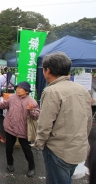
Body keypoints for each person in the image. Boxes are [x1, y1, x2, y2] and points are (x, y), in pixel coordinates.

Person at [34, 52, 92, 184]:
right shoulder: (81, 89)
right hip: (78, 148)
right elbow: (88, 119)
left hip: (58, 149)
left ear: (47, 70)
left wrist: (40, 143)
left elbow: (45, 124)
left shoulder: (51, 91)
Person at [0, 81, 40, 177]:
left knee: (27, 149)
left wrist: (31, 110)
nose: (18, 90)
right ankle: (10, 163)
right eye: (17, 88)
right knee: (8, 148)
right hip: (10, 127)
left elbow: (36, 116)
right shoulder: (11, 97)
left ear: (26, 91)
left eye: (20, 88)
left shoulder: (32, 101)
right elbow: (3, 105)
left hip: (24, 130)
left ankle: (31, 167)